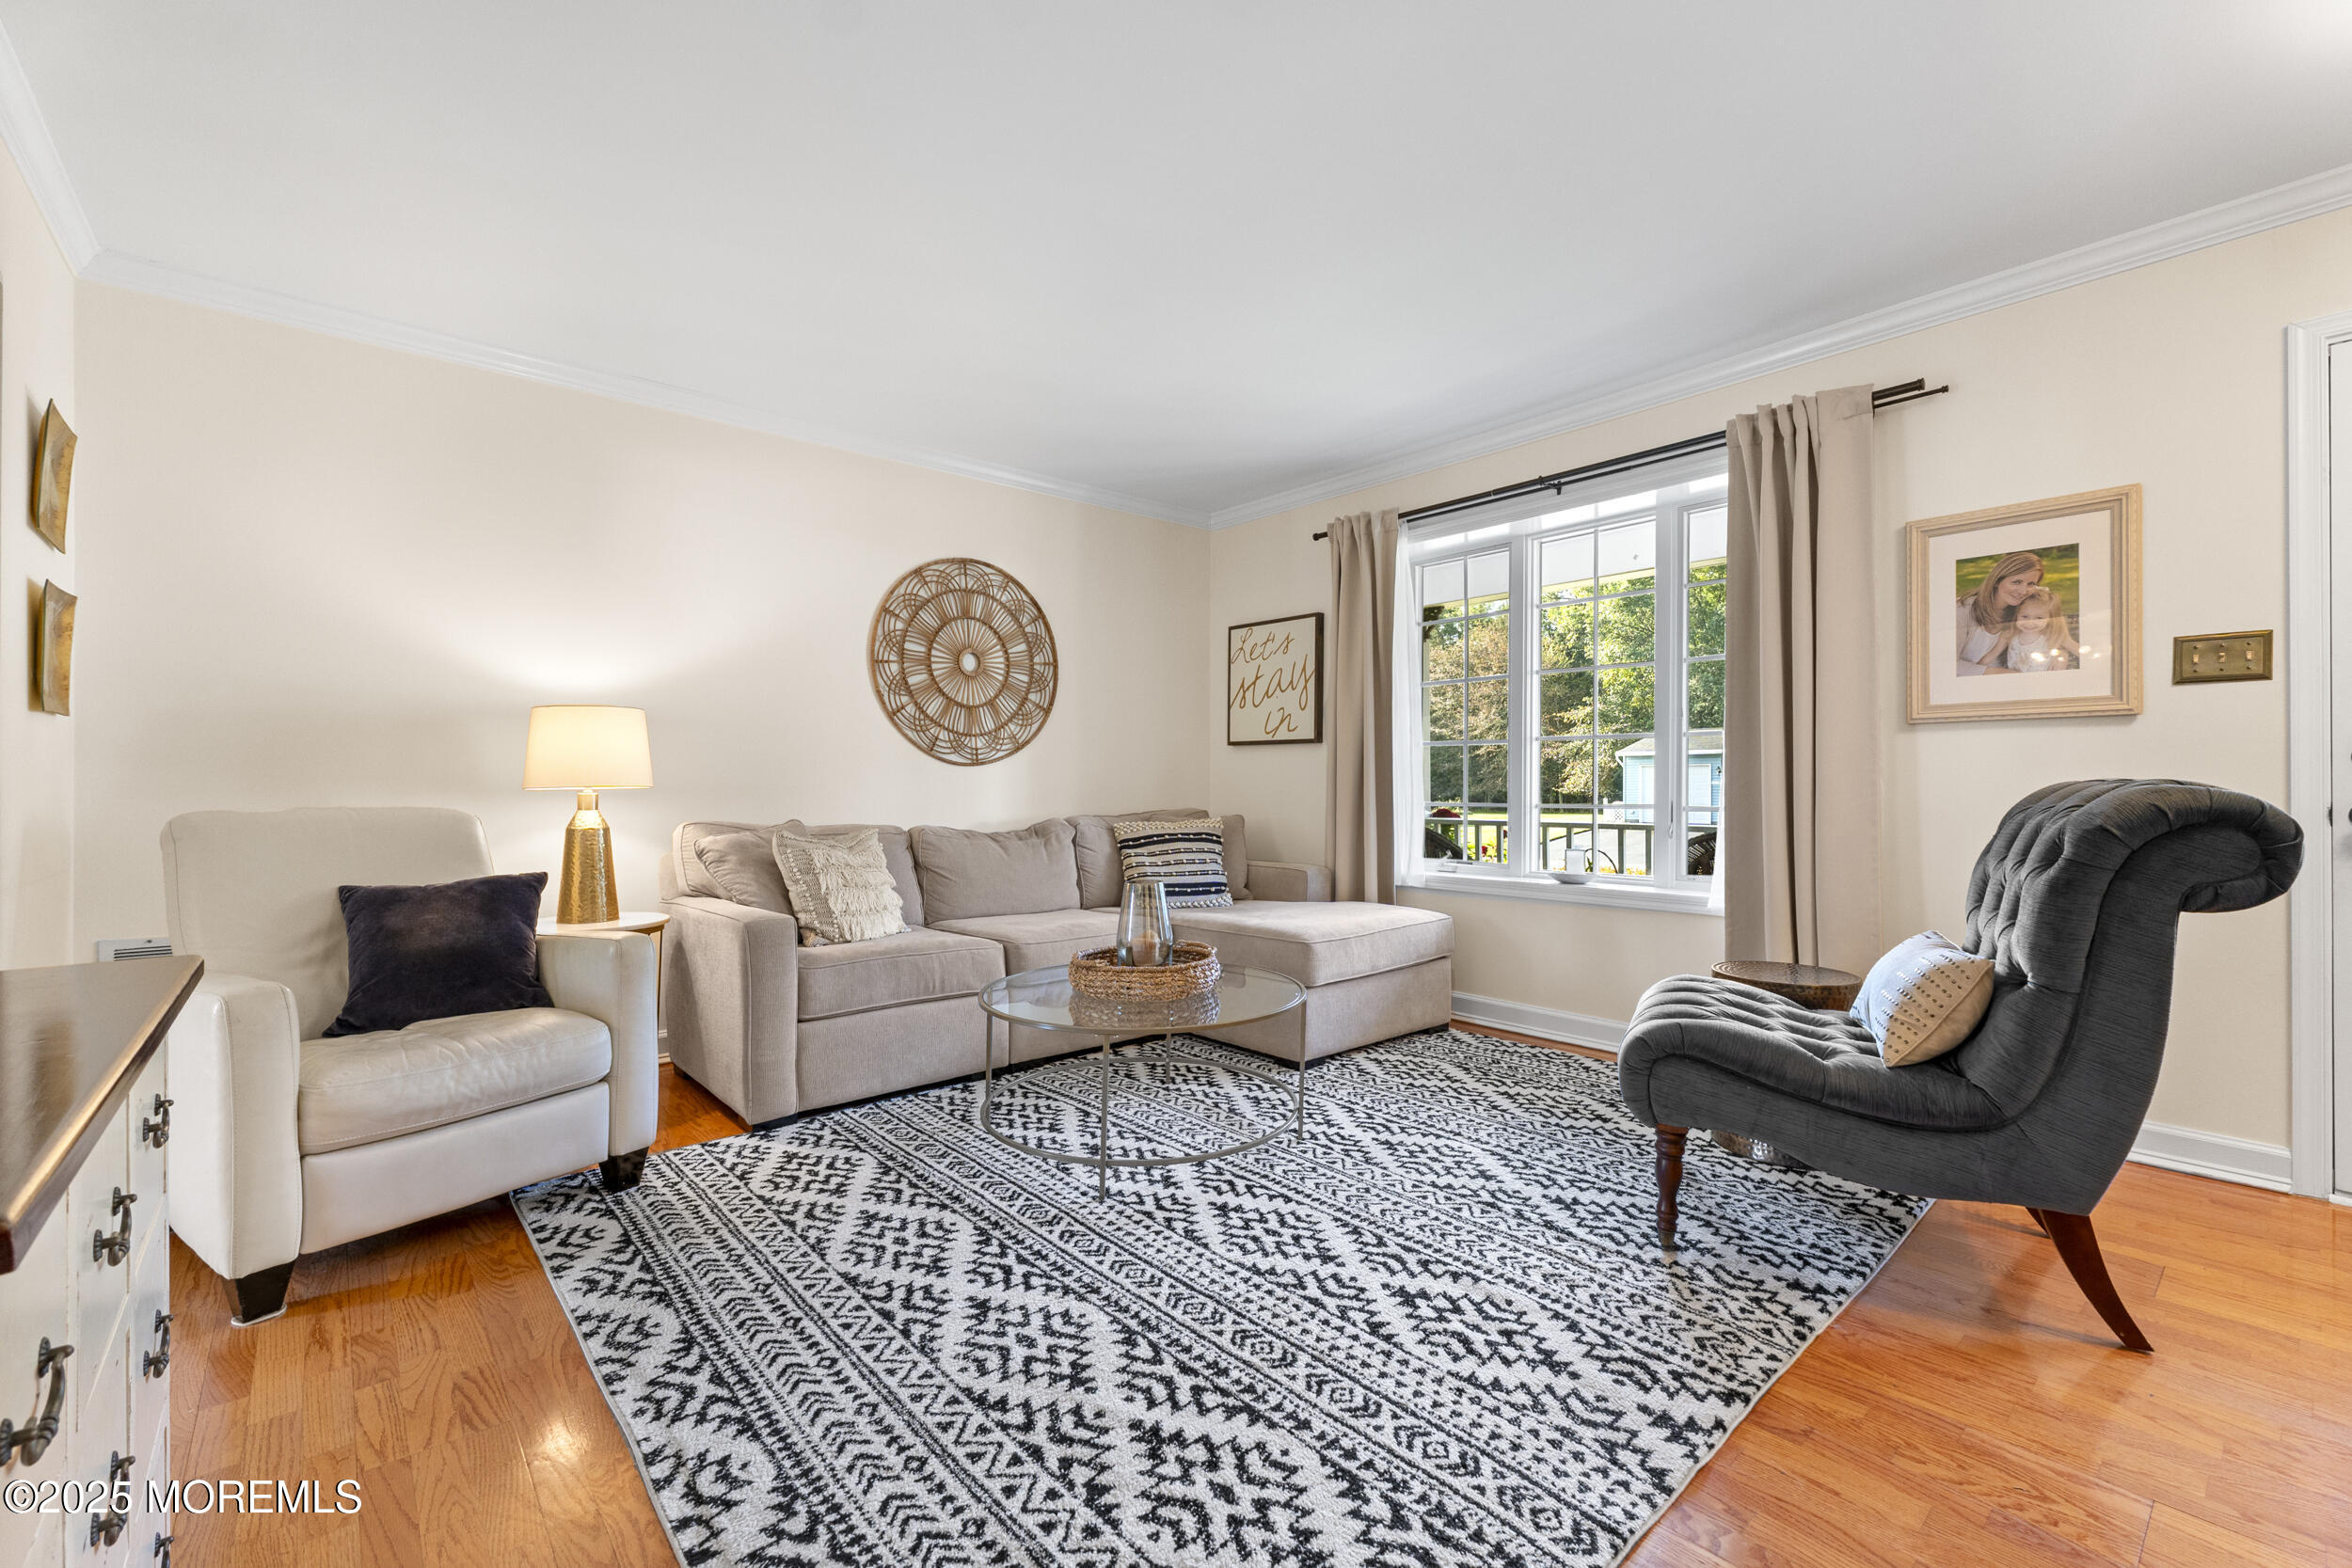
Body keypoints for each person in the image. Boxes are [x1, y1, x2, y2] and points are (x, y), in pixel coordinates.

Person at [1955, 551, 2043, 676]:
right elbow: (1944, 665)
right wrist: (2003, 674)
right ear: (1996, 581)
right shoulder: (1962, 609)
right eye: (2016, 582)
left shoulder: (2023, 610)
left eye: (2031, 584)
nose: (2023, 591)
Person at [1993, 586, 2079, 672]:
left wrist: (2061, 657)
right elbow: (1992, 655)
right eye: (2025, 616)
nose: (2030, 622)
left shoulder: (2050, 635)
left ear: (2050, 619)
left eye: (2039, 618)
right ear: (2017, 614)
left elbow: (2075, 649)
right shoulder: (2010, 634)